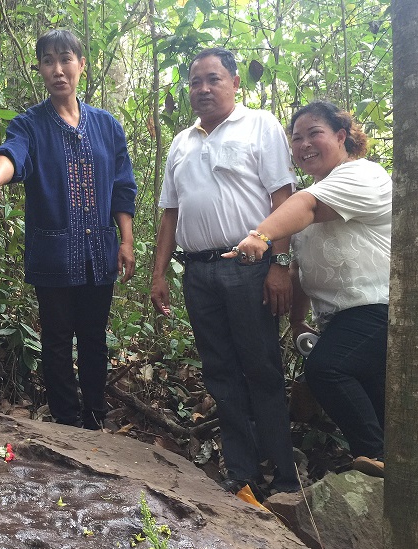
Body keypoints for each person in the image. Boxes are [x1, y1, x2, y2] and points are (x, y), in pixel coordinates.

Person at [0, 29, 136, 430]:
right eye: (48, 61)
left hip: (99, 254)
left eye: (65, 59)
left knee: (94, 338)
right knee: (57, 340)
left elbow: (122, 186)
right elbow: (12, 155)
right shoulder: (30, 124)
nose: (58, 69)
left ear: (82, 65)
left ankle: (95, 418)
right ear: (40, 69)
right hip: (54, 254)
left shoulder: (107, 126)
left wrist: (126, 240)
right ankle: (66, 422)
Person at [150, 47, 299, 495]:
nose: (203, 89)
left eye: (213, 79)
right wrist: (159, 275)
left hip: (249, 266)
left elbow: (283, 199)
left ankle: (284, 475)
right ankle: (242, 470)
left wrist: (281, 264)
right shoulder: (182, 141)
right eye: (195, 82)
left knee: (261, 368)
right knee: (219, 370)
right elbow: (170, 214)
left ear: (235, 83)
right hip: (198, 272)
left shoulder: (260, 125)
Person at [226, 100, 391, 478]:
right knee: (369, 386)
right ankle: (387, 464)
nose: (304, 145)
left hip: (377, 305)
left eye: (314, 133)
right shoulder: (316, 190)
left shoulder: (362, 175)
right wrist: (298, 320)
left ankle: (374, 453)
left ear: (341, 136)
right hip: (342, 316)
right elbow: (300, 268)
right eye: (297, 138)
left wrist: (260, 235)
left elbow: (309, 205)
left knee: (327, 369)